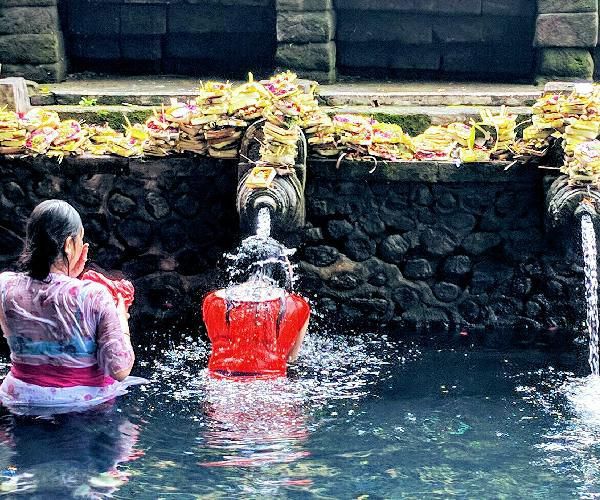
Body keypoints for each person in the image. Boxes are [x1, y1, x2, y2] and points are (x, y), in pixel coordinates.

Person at [0, 199, 142, 414]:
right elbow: (119, 369)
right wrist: (122, 319)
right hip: (81, 407)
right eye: (80, 239)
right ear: (68, 245)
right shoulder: (94, 295)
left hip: (19, 399)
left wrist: (67, 277)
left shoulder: (5, 285)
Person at [202, 235, 310, 378]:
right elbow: (291, 358)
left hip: (220, 383)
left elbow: (221, 344)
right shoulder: (297, 306)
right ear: (279, 266)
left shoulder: (213, 301)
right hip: (271, 387)